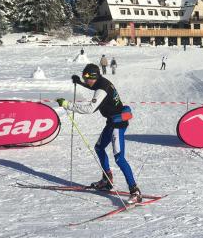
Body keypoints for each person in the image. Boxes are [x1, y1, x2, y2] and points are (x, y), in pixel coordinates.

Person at [56, 63, 142, 204]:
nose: (85, 80)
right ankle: (107, 180)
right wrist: (79, 82)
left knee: (119, 158)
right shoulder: (100, 82)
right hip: (111, 122)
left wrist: (67, 104)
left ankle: (135, 191)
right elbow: (93, 86)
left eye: (86, 78)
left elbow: (90, 109)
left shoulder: (101, 89)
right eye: (84, 78)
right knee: (99, 148)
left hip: (118, 124)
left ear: (94, 77)